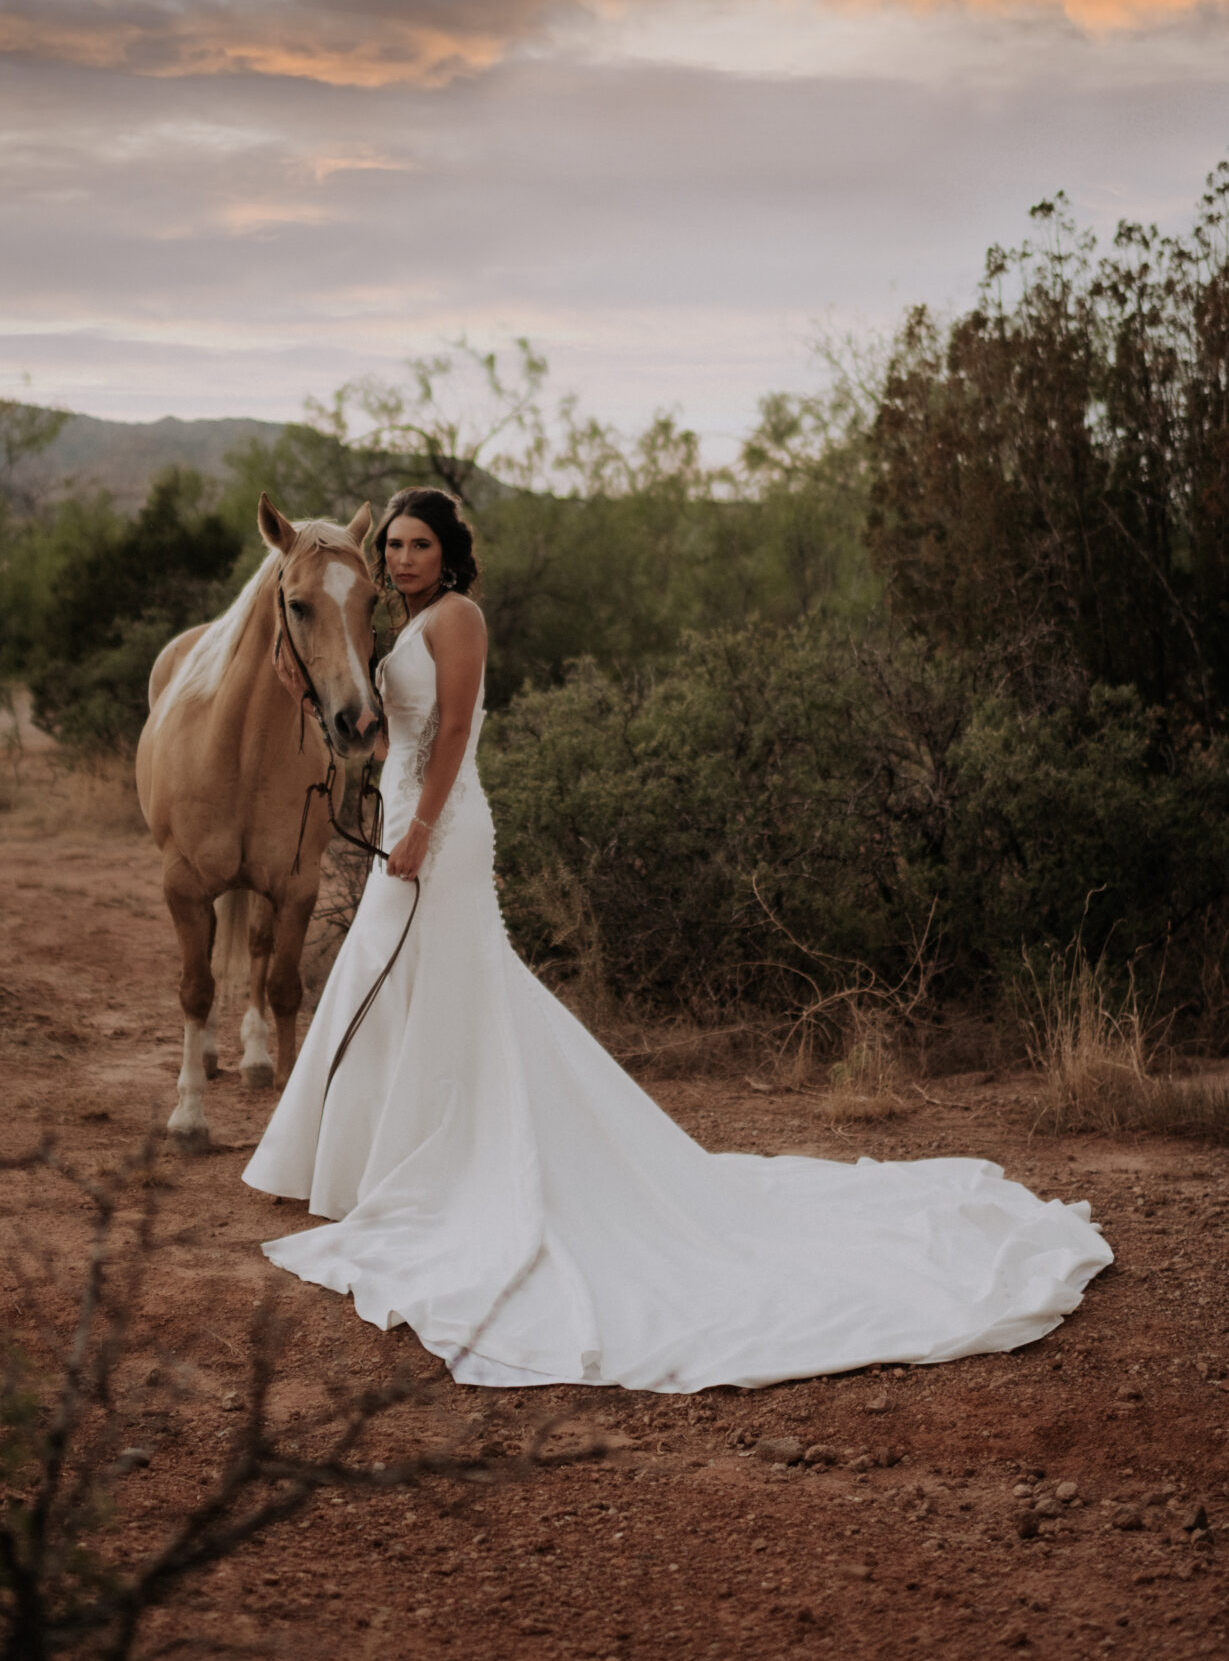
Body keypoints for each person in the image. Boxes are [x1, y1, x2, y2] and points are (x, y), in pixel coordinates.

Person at [243, 488, 1111, 1390]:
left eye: (418, 544)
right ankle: (365, 1163)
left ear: (449, 553)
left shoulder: (457, 619)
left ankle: (446, 1164)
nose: (402, 558)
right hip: (407, 812)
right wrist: (319, 710)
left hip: (446, 828)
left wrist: (422, 826)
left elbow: (456, 730)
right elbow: (397, 741)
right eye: (392, 546)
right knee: (403, 979)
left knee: (439, 982)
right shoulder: (406, 631)